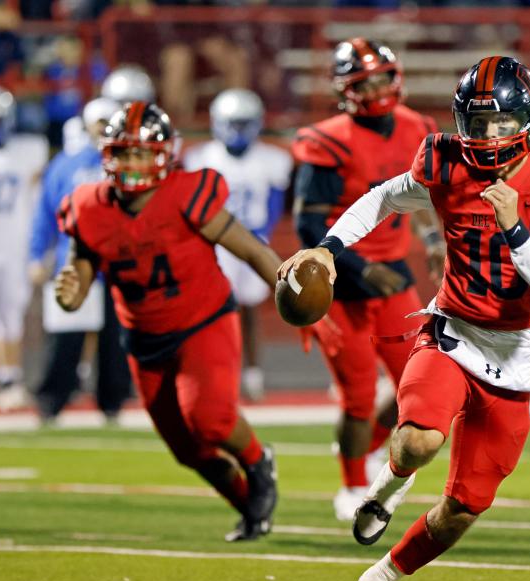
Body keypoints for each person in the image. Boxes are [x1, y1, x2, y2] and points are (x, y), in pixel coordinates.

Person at [279, 55, 530, 581]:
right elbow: (381, 197)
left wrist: (513, 227)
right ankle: (385, 488)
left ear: (528, 121)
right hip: (453, 331)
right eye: (476, 126)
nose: (487, 137)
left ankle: (382, 576)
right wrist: (329, 246)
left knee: (464, 508)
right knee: (419, 440)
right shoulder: (444, 162)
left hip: (517, 353)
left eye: (499, 124)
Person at [53, 102, 280, 542]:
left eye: (141, 153)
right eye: (123, 153)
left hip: (203, 320)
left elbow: (250, 248)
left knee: (210, 420)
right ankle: (249, 509)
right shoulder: (87, 206)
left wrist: (289, 289)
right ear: (107, 155)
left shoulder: (186, 193)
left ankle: (257, 460)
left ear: (162, 153)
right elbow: (81, 266)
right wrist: (72, 291)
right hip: (143, 336)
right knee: (188, 449)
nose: (132, 164)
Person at [291, 38, 442, 522]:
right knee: (357, 395)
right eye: (364, 82)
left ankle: (372, 451)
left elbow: (418, 196)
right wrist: (358, 266)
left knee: (414, 387)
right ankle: (352, 481)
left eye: (381, 78)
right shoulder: (327, 138)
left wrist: (434, 242)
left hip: (393, 273)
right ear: (345, 89)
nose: (376, 89)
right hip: (341, 281)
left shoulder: (419, 128)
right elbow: (307, 225)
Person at [183, 88, 292, 401]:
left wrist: (263, 235)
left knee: (248, 311)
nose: (238, 131)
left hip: (254, 240)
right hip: (215, 243)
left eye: (245, 123)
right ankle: (216, 373)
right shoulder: (200, 158)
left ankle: (252, 373)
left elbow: (273, 205)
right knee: (214, 311)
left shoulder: (272, 159)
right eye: (233, 123)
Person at [29, 96, 132, 426]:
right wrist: (36, 254)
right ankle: (52, 400)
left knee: (114, 343)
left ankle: (112, 402)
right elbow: (45, 213)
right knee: (64, 341)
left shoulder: (129, 164)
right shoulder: (67, 164)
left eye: (107, 122)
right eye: (98, 122)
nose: (102, 129)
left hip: (116, 265)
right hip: (73, 263)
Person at [0, 86, 49, 412]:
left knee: (10, 318)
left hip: (14, 248)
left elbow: (41, 194)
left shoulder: (28, 150)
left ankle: (10, 379)